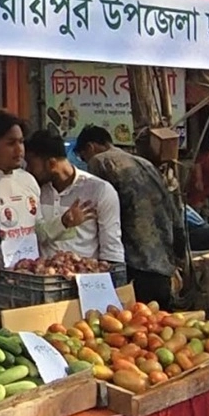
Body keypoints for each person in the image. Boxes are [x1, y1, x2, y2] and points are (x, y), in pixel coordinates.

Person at [74, 125, 184, 308]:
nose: (85, 161)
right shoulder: (144, 163)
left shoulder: (100, 162)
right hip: (162, 261)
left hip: (134, 262)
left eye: (82, 156)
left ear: (91, 147)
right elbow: (173, 209)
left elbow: (96, 210)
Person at [0, 112, 51, 301]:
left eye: (21, 142)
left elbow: (39, 228)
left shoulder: (28, 180)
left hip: (30, 280)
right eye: (11, 143)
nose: (19, 150)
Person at [24, 130, 123, 264]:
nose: (27, 170)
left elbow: (112, 247)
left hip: (85, 278)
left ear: (51, 164)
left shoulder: (99, 190)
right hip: (42, 278)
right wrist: (63, 223)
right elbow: (36, 234)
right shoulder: (33, 191)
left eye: (30, 164)